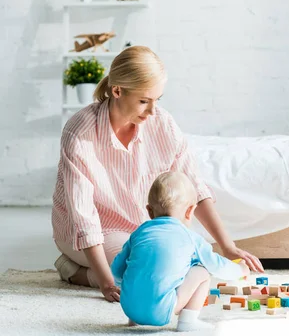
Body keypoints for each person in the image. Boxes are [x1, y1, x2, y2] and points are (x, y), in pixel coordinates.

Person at [52, 46, 263, 303]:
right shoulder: (80, 132)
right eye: (144, 101)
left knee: (189, 259)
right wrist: (106, 284)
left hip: (144, 228)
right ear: (117, 90)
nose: (152, 111)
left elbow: (193, 186)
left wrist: (227, 247)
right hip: (96, 231)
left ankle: (93, 269)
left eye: (157, 100)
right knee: (150, 270)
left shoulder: (162, 123)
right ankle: (76, 271)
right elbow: (83, 217)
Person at [111, 171, 249, 331]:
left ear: (149, 211)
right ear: (190, 211)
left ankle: (134, 321)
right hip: (161, 313)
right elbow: (216, 265)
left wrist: (127, 285)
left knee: (141, 269)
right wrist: (240, 270)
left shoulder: (139, 233)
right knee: (202, 271)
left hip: (129, 307)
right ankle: (187, 322)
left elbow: (117, 268)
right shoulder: (190, 237)